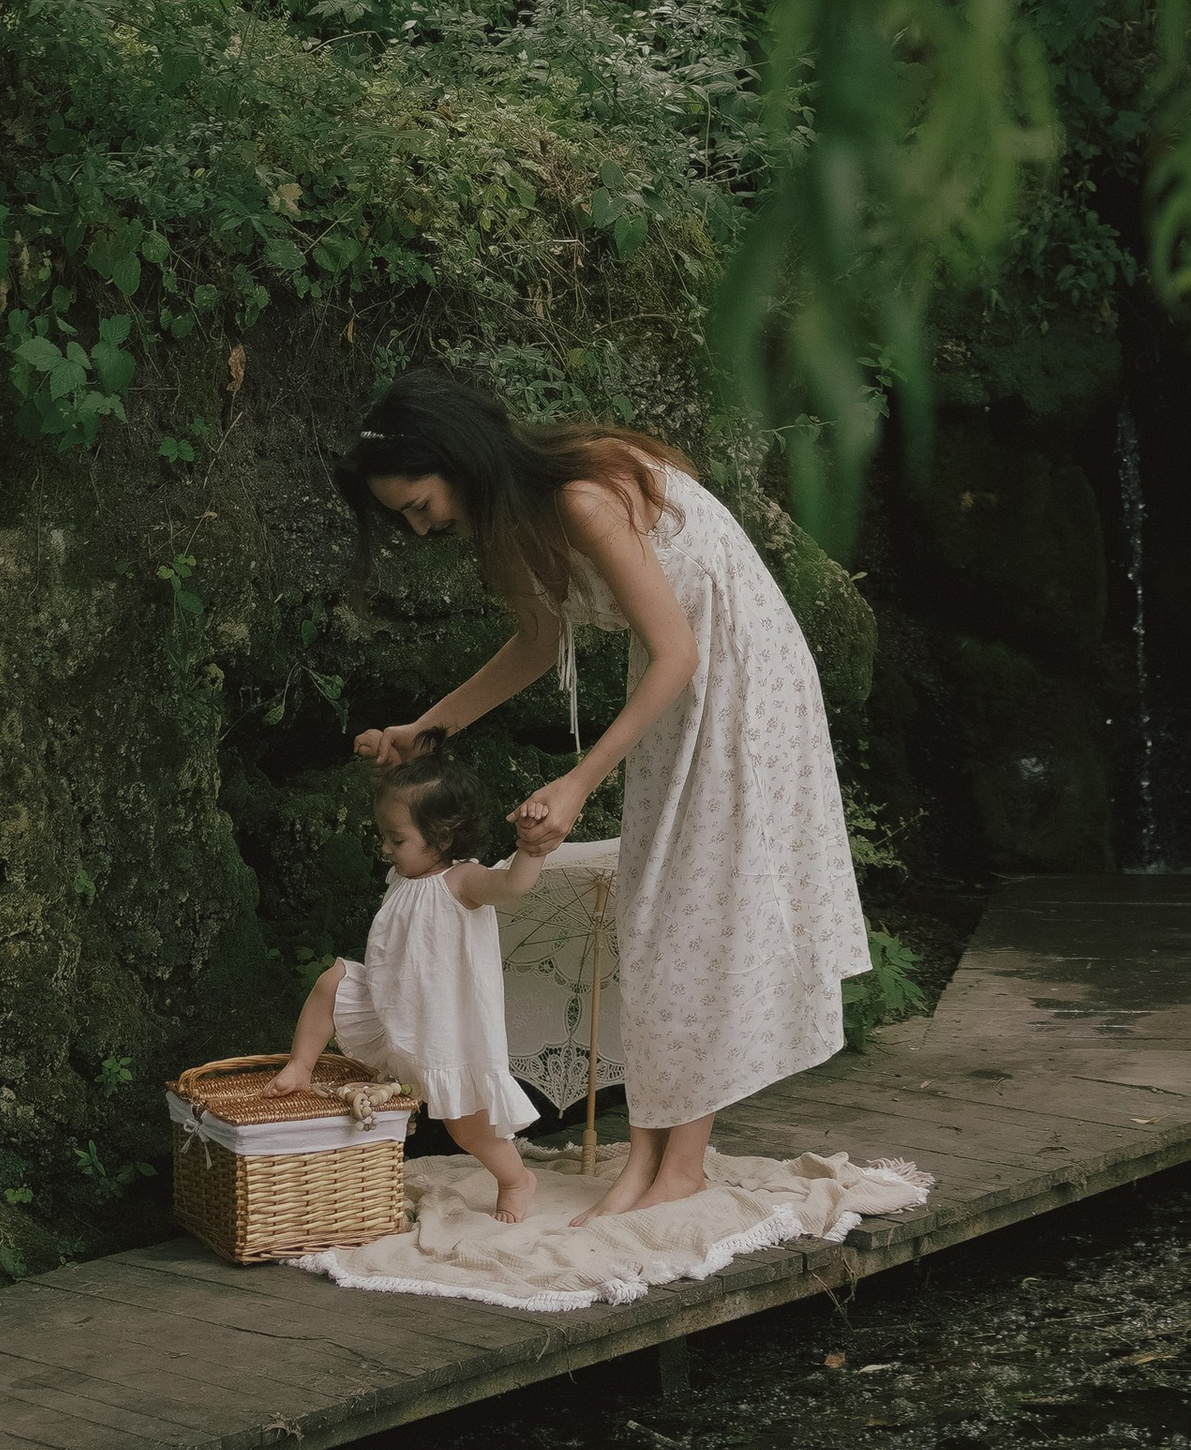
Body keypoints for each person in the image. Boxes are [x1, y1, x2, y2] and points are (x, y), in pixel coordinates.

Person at [335, 363, 871, 1222]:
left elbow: (682, 651)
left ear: (458, 459)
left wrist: (582, 778)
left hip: (740, 680)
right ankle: (656, 1152)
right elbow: (538, 643)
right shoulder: (513, 527)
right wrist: (426, 730)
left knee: (690, 908)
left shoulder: (582, 495)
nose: (419, 525)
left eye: (417, 502)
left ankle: (679, 1166)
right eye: (402, 515)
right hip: (679, 686)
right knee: (656, 914)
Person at [275, 735, 551, 1222]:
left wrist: (530, 847)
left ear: (442, 839)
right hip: (391, 998)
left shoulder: (462, 880)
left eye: (396, 839)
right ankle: (300, 1065)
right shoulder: (406, 876)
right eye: (384, 835)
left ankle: (516, 1178)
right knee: (332, 981)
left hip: (441, 1020)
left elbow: (512, 887)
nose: (385, 848)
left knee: (466, 1126)